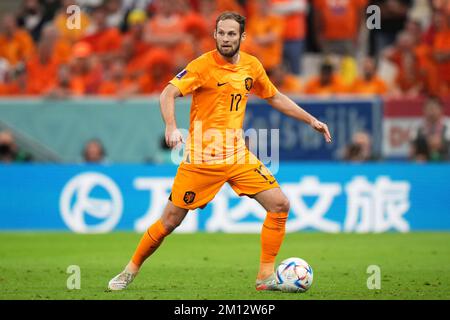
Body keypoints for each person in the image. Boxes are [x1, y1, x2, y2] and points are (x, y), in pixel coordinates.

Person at [107, 12, 331, 292]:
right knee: (169, 221)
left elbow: (273, 96)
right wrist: (171, 127)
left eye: (231, 34)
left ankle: (265, 277)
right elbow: (167, 93)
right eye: (221, 33)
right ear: (215, 35)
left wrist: (310, 119)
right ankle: (130, 270)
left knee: (280, 205)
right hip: (202, 161)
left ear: (242, 37)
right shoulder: (202, 66)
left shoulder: (252, 65)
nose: (226, 39)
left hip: (238, 157)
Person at [410, 97, 450, 162]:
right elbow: (412, 150)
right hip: (424, 164)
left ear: (441, 109)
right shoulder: (417, 126)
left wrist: (441, 142)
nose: (432, 111)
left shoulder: (448, 124)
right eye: (429, 108)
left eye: (434, 108)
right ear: (423, 110)